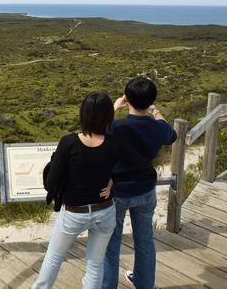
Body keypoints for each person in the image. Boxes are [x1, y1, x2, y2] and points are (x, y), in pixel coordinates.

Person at [32, 92, 152, 289]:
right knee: (95, 264)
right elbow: (145, 170)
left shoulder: (68, 143)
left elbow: (51, 184)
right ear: (108, 117)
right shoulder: (114, 144)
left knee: (54, 257)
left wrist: (53, 163)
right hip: (104, 212)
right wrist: (115, 180)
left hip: (74, 213)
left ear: (82, 114)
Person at [102, 77, 177, 289]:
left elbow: (96, 131)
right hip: (145, 190)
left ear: (126, 98)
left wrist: (113, 108)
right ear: (152, 100)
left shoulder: (115, 127)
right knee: (145, 241)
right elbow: (171, 134)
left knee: (111, 244)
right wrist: (156, 111)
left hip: (117, 191)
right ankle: (144, 284)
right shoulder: (157, 128)